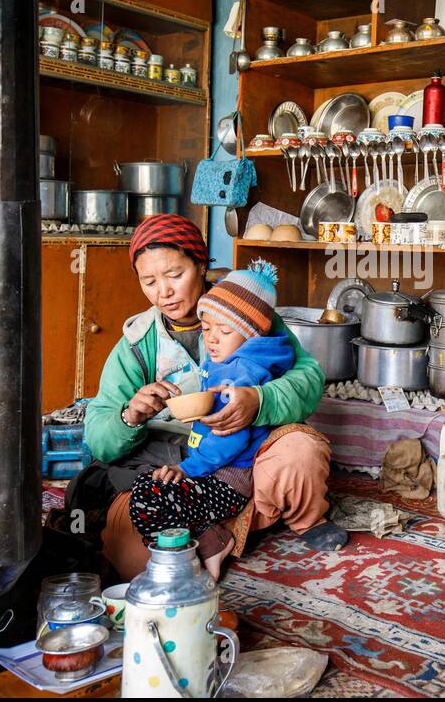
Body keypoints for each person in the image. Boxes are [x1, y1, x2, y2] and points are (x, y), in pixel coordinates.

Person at [65, 214, 346, 580]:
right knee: (135, 561)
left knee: (299, 452)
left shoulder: (246, 313)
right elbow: (99, 436)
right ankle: (223, 529)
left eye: (174, 275)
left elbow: (308, 380)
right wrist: (130, 416)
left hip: (243, 458)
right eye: (148, 281)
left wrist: (258, 401)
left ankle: (293, 517)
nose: (162, 292)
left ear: (200, 265)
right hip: (170, 462)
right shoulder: (136, 344)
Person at [128, 259, 294, 579]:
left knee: (149, 496)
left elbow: (232, 437)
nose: (213, 339)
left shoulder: (241, 373)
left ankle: (183, 566)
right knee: (148, 486)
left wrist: (186, 469)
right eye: (207, 329)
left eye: (226, 331)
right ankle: (208, 537)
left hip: (227, 481)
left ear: (251, 335)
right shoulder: (226, 361)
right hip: (212, 471)